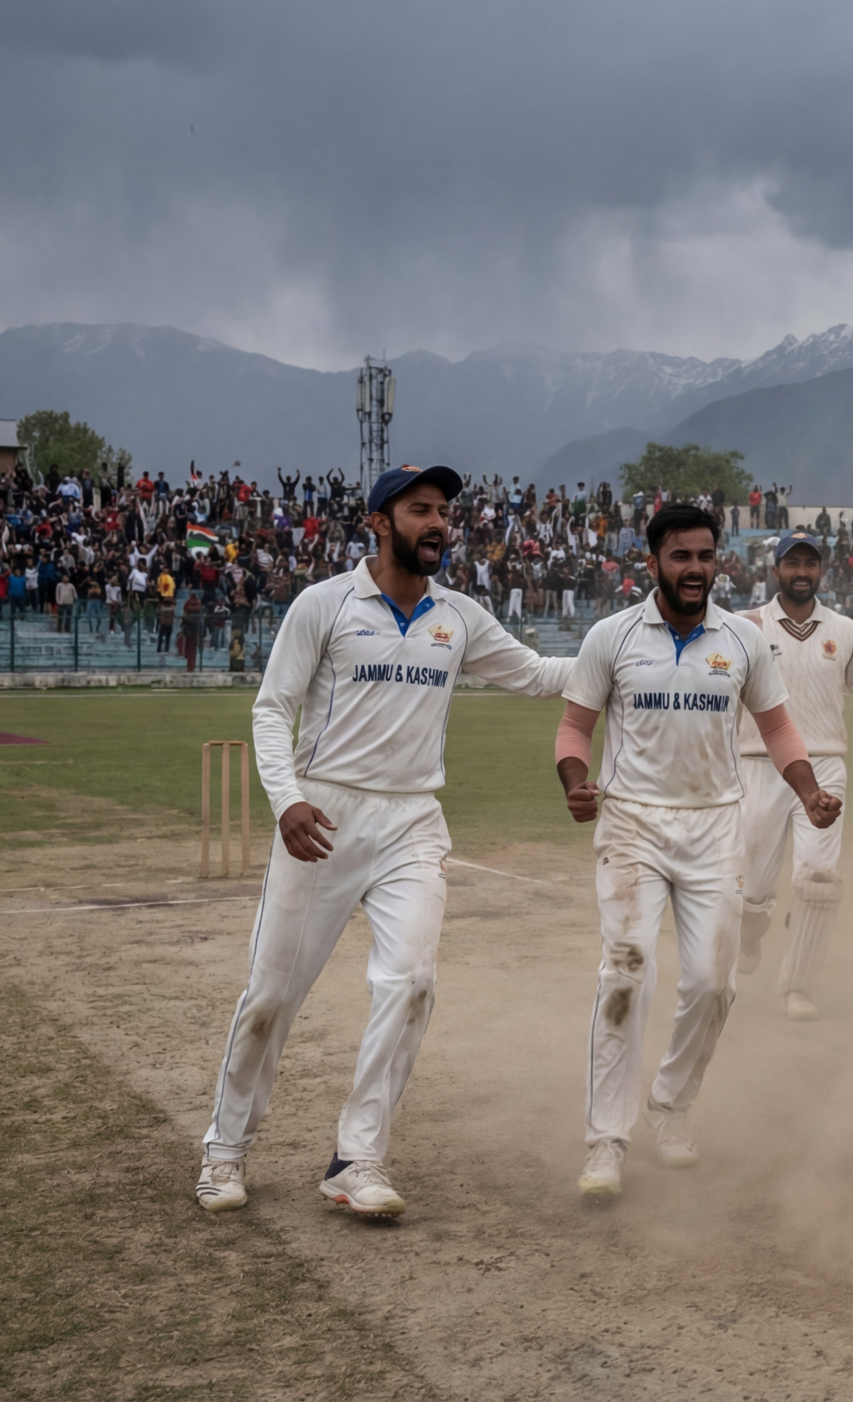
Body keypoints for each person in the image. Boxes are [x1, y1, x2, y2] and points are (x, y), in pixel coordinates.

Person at [195, 465, 574, 1217]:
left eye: (445, 512)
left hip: (411, 821)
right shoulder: (325, 604)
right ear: (378, 522)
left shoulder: (457, 615)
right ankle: (225, 1149)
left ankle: (356, 1156)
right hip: (323, 818)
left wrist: (623, 653)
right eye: (420, 509)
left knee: (411, 984)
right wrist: (289, 799)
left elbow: (535, 674)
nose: (438, 523)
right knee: (273, 994)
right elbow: (273, 711)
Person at [555, 503, 843, 1198]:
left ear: (720, 561)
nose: (695, 569)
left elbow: (779, 729)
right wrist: (574, 779)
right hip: (632, 826)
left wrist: (806, 790)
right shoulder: (613, 635)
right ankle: (606, 1139)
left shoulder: (742, 642)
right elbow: (574, 724)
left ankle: (671, 1104)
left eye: (705, 556)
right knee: (625, 973)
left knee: (715, 983)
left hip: (716, 828)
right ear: (651, 561)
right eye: (681, 556)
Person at [733, 531, 853, 1020]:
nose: (802, 572)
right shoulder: (746, 626)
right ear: (776, 571)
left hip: (826, 764)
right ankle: (750, 929)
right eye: (793, 564)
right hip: (758, 763)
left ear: (822, 571)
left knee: (818, 879)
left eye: (811, 564)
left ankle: (799, 987)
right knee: (752, 879)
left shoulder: (844, 629)